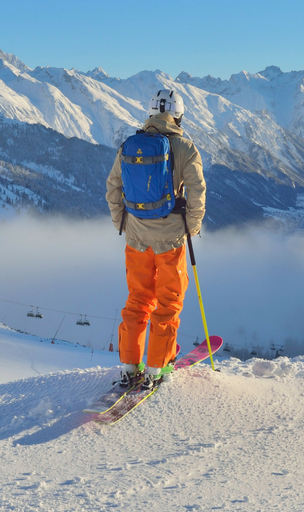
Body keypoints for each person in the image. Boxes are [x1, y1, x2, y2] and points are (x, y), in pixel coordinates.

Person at [105, 89, 206, 391]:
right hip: (170, 241)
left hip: (136, 239)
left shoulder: (130, 145)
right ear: (179, 115)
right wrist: (192, 227)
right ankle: (157, 366)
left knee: (137, 301)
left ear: (150, 113)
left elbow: (112, 187)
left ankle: (129, 365)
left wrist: (122, 223)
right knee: (168, 303)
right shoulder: (185, 147)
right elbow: (197, 192)